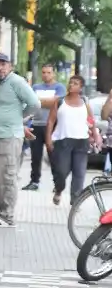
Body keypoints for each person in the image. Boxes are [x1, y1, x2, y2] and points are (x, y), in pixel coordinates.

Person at [0, 53, 40, 228]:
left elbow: (35, 104)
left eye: (3, 64)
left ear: (10, 67)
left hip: (9, 136)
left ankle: (7, 216)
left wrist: (18, 119)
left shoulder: (16, 82)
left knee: (6, 176)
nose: (0, 68)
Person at [46, 74, 97, 205]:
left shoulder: (85, 102)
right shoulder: (60, 101)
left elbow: (91, 120)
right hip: (63, 141)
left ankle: (75, 201)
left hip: (82, 141)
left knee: (79, 173)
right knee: (61, 172)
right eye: (70, 82)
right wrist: (48, 139)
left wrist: (95, 136)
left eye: (75, 83)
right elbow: (51, 121)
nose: (71, 85)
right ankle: (58, 189)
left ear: (81, 88)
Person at [23, 63, 66, 191]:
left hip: (52, 126)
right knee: (35, 157)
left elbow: (55, 102)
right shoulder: (36, 87)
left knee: (54, 156)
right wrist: (45, 102)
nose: (46, 75)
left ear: (54, 73)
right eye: (43, 72)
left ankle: (57, 184)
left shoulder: (59, 87)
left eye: (48, 72)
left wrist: (38, 101)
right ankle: (34, 181)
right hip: (36, 125)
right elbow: (30, 102)